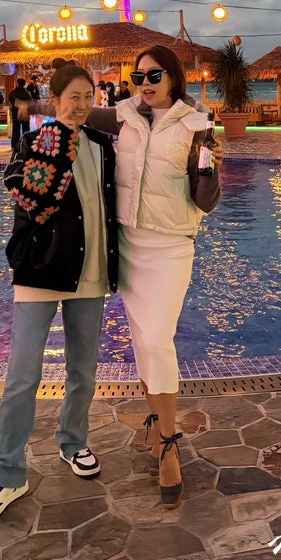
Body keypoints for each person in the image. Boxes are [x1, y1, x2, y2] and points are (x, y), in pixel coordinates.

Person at [0, 62, 118, 525]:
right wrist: (59, 146)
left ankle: (73, 442)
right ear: (55, 100)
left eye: (89, 96)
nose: (82, 105)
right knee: (22, 375)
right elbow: (25, 195)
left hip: (90, 272)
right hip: (40, 269)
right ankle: (8, 472)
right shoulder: (35, 142)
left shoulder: (102, 146)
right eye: (73, 97)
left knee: (83, 371)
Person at [87, 44, 222, 509]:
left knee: (158, 340)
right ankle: (158, 429)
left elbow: (205, 201)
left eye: (153, 76)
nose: (144, 84)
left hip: (170, 246)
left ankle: (168, 442)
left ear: (173, 78)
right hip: (128, 245)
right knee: (142, 341)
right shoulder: (123, 116)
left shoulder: (196, 124)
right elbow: (76, 112)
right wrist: (33, 107)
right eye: (137, 77)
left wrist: (210, 169)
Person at [8, 78, 32, 150]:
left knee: (16, 130)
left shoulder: (13, 93)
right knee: (26, 130)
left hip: (16, 113)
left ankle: (15, 145)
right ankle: (26, 144)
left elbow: (11, 100)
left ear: (17, 83)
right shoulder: (27, 93)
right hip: (25, 113)